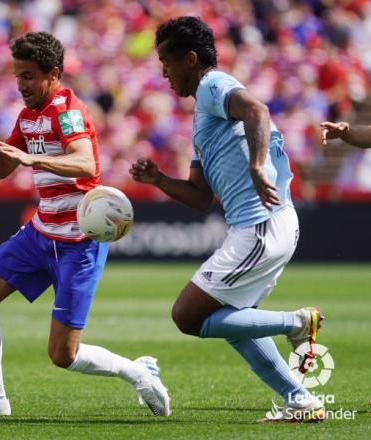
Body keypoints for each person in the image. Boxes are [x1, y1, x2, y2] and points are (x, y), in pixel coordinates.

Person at [0, 32, 170, 417]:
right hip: (41, 232)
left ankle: (139, 372)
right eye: (17, 75)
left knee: (63, 355)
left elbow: (86, 165)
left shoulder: (68, 112)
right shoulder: (28, 116)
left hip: (79, 241)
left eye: (29, 76)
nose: (21, 84)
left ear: (53, 74)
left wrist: (35, 161)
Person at [129, 17, 325, 423]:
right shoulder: (202, 116)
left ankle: (297, 323)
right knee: (233, 322)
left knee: (187, 315)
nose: (163, 72)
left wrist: (257, 166)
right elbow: (200, 197)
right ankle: (300, 399)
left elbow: (257, 109)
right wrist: (159, 180)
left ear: (191, 59)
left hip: (260, 225)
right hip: (259, 226)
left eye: (167, 61)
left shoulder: (213, 85)